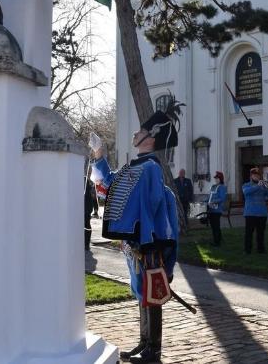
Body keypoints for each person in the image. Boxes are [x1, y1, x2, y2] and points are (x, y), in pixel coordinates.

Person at [90, 97, 184, 364]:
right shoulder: (136, 166)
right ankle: (144, 342)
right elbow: (109, 184)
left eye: (140, 131)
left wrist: (146, 238)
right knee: (140, 290)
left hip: (147, 242)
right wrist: (99, 155)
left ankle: (154, 349)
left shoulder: (151, 167)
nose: (135, 133)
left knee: (152, 291)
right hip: (135, 243)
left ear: (150, 138)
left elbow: (152, 203)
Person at [242, 168, 268, 254]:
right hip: (250, 213)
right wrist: (258, 186)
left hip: (262, 213)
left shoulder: (263, 185)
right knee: (249, 233)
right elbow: (246, 192)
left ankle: (261, 249)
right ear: (251, 176)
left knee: (261, 233)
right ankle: (247, 250)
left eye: (258, 175)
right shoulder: (246, 185)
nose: (256, 176)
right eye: (254, 175)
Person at [206, 171, 227, 246]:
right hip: (211, 209)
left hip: (217, 210)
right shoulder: (213, 186)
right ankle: (217, 239)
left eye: (217, 178)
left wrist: (213, 202)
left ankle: (217, 242)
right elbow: (209, 197)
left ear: (221, 179)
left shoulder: (222, 187)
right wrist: (204, 201)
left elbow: (222, 198)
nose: (216, 179)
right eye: (215, 178)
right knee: (213, 225)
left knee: (216, 226)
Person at [83, 178, 96, 251]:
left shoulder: (86, 183)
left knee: (86, 225)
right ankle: (86, 244)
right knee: (87, 225)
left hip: (86, 208)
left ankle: (86, 244)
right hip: (88, 208)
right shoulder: (90, 185)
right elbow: (94, 198)